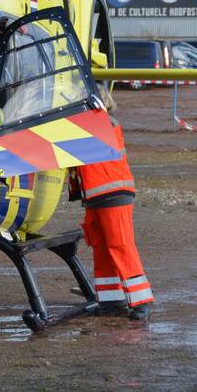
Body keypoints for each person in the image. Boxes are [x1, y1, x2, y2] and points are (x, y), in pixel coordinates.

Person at [69, 89, 155, 321]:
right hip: (96, 196)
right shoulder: (91, 124)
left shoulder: (105, 123)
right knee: (102, 248)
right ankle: (111, 301)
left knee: (120, 246)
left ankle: (142, 300)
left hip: (113, 194)